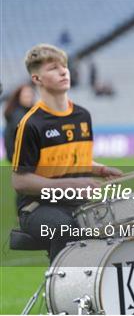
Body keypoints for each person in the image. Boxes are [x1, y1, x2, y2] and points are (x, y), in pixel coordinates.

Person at [12, 44, 122, 262]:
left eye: (64, 66)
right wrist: (68, 186)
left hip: (76, 203)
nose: (63, 71)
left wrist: (99, 168)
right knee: (66, 229)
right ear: (37, 79)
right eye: (53, 68)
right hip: (38, 207)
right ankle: (62, 293)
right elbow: (20, 181)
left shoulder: (83, 116)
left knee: (126, 223)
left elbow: (73, 161)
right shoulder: (30, 123)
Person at [4, 84, 36, 163]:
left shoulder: (28, 112)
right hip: (20, 157)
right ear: (19, 97)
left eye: (30, 95)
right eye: (26, 96)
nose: (29, 98)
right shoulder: (18, 114)